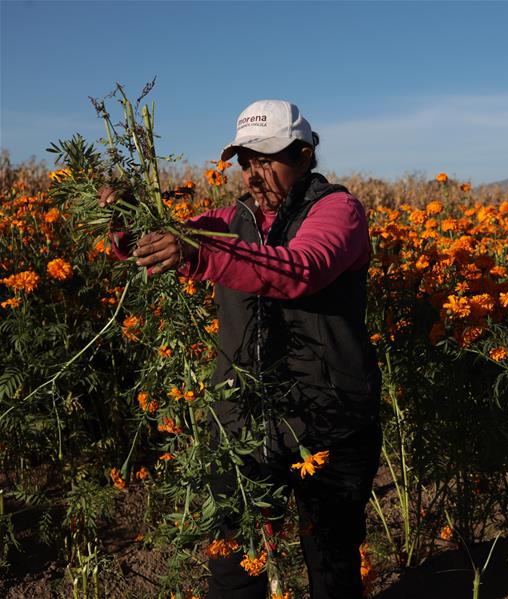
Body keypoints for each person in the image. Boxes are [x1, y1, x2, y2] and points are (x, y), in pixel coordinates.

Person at [100, 99, 382, 599]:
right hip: (243, 424)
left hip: (329, 419)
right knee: (233, 570)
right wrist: (125, 221)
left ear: (303, 155)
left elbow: (303, 268)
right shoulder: (232, 219)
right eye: (246, 162)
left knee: (332, 565)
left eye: (266, 159)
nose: (253, 175)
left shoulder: (338, 210)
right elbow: (155, 242)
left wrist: (199, 250)